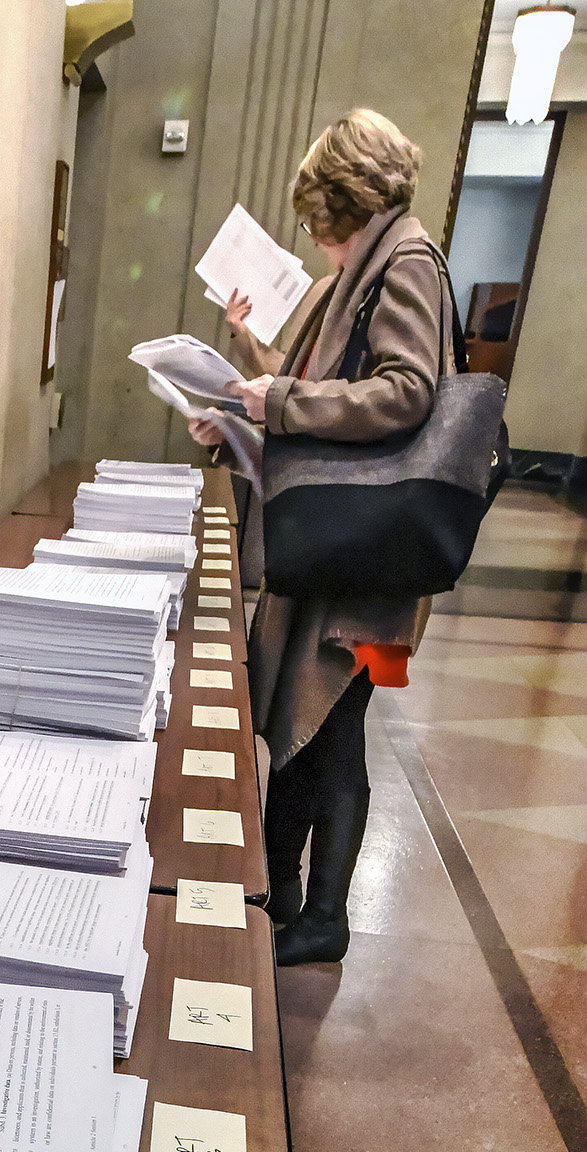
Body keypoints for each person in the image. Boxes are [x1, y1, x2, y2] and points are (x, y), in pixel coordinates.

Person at [189, 109, 451, 965]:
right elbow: (318, 391)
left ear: (346, 198)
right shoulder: (370, 265)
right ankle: (288, 896)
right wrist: (246, 383)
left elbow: (405, 391)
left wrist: (282, 403)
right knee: (309, 724)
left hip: (370, 565)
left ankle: (323, 918)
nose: (314, 234)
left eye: (314, 217)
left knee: (333, 724)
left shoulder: (405, 262)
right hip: (349, 551)